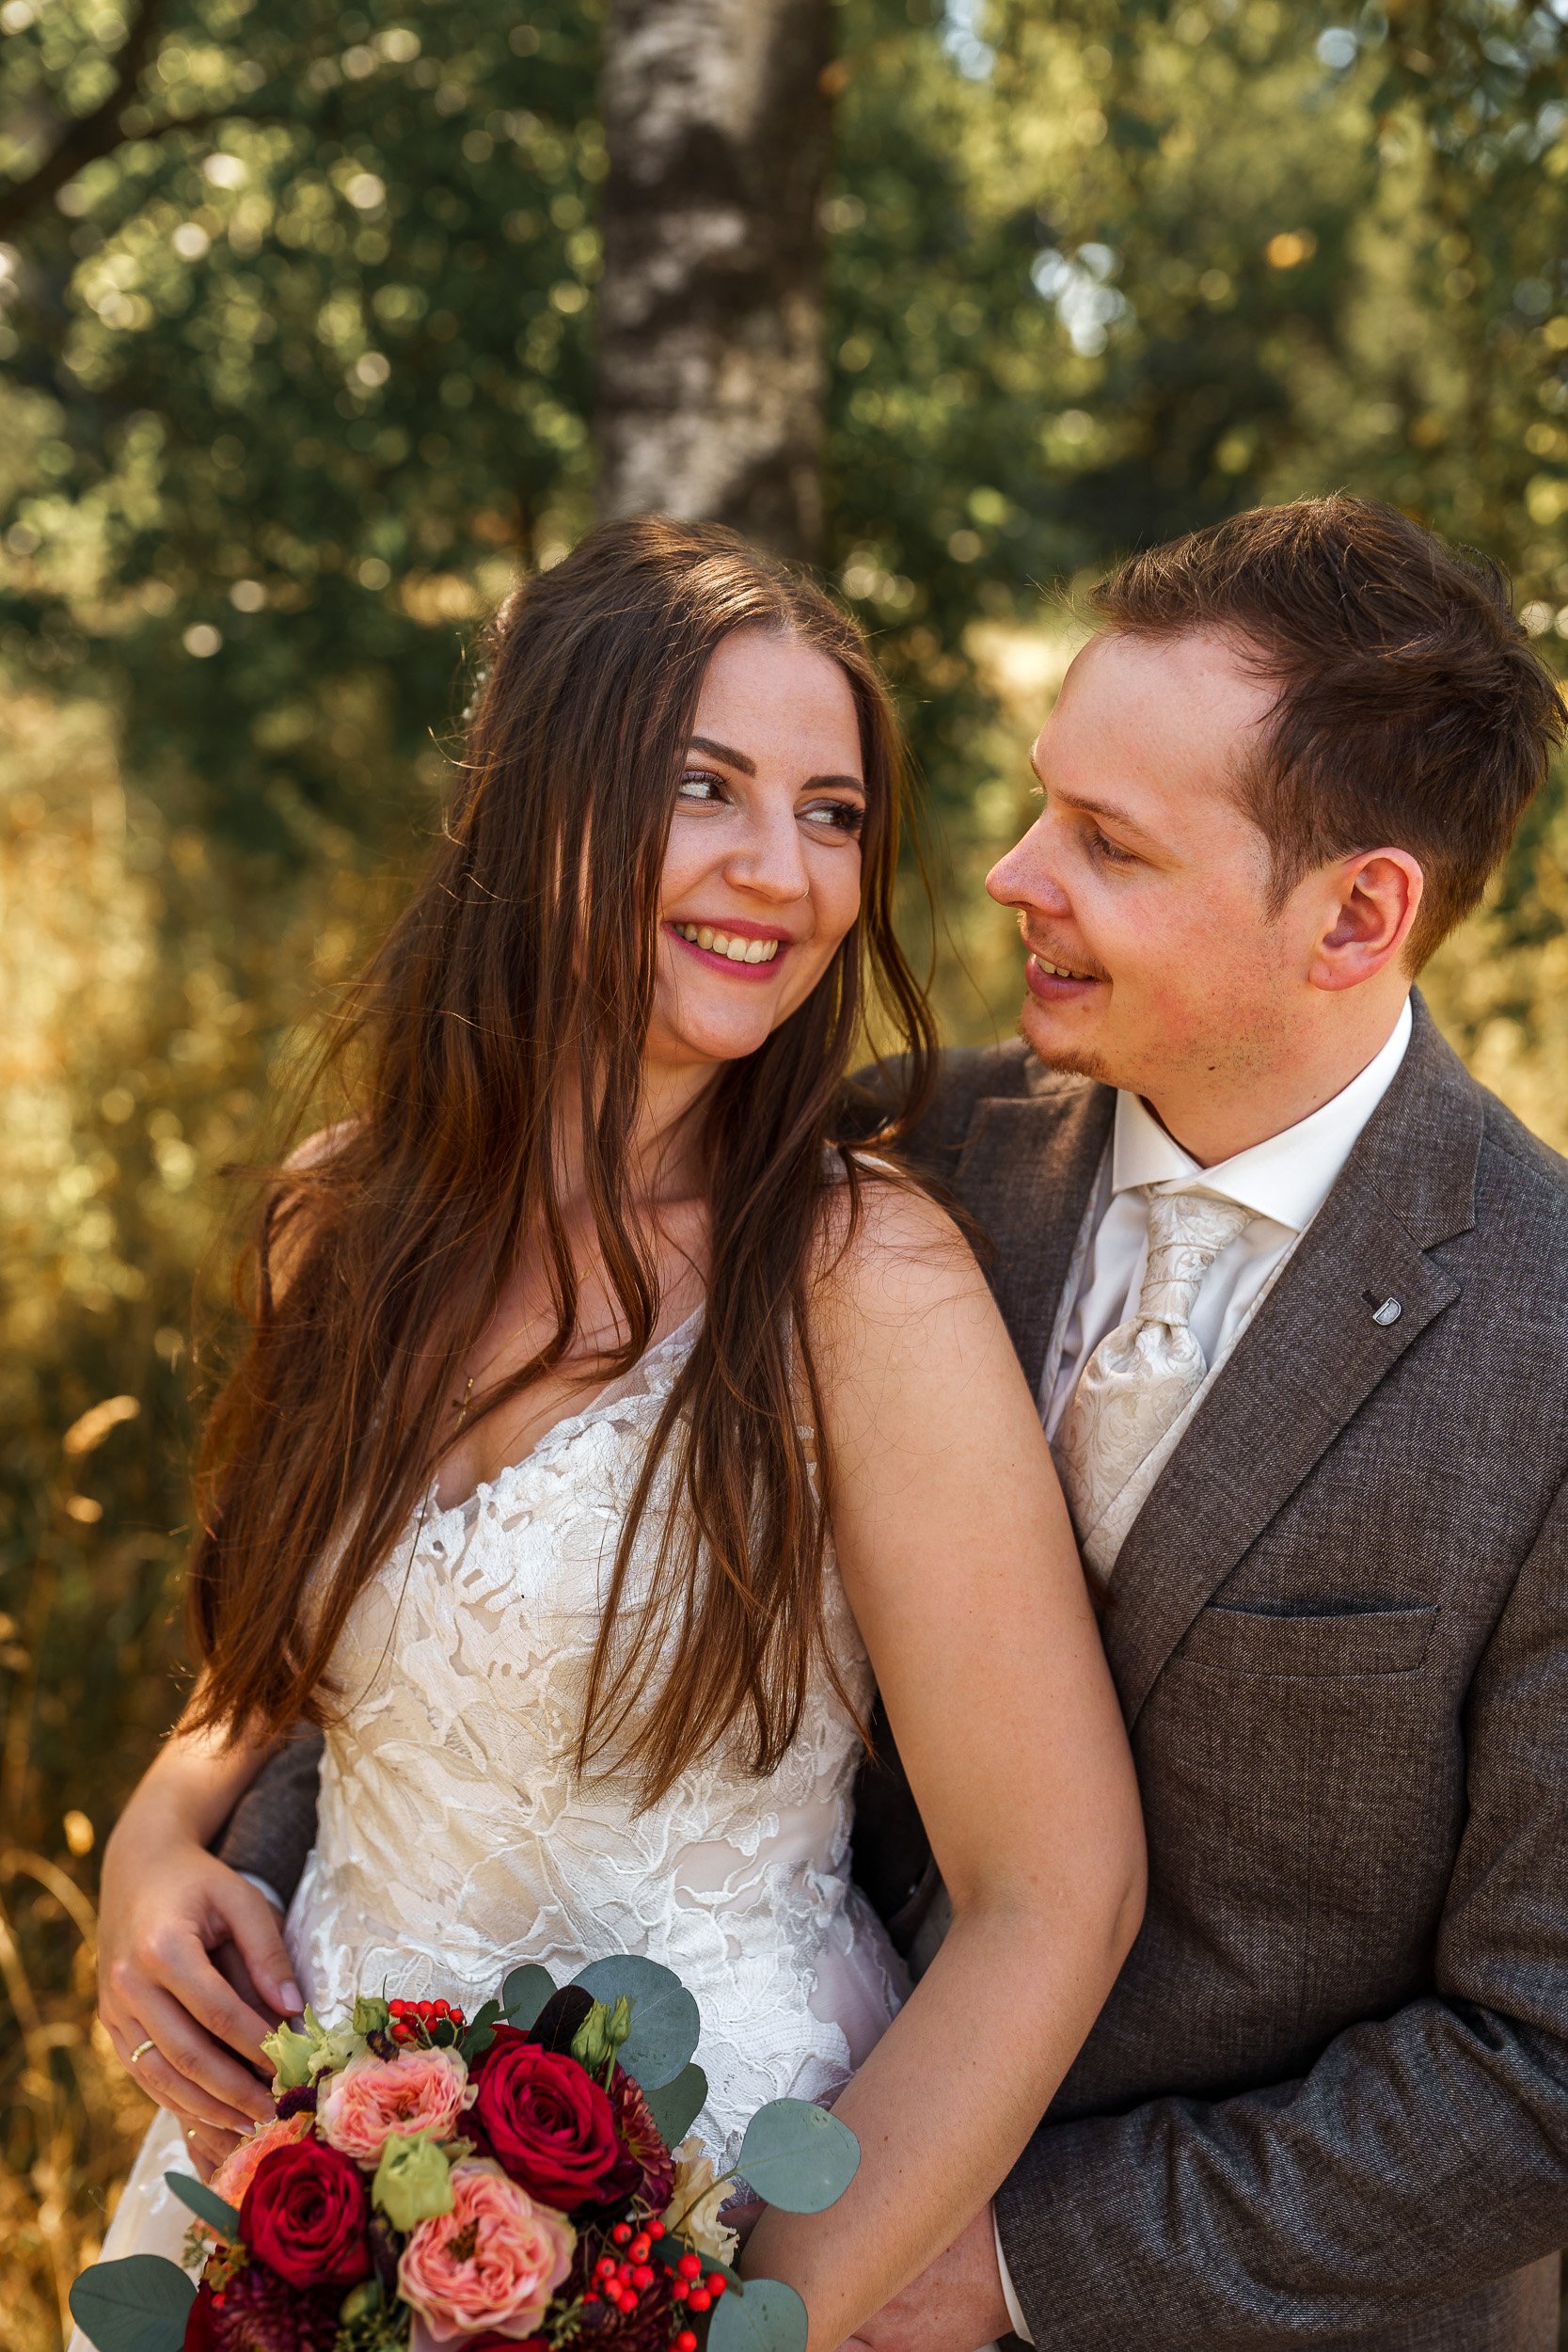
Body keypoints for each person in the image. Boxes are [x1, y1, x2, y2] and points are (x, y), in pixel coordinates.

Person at [85, 516, 1144, 2352]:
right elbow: (263, 1679)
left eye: (831, 812)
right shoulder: (340, 1221)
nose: (781, 872)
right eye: (706, 787)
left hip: (703, 2197)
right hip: (303, 2189)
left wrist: (724, 2315)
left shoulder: (852, 1277)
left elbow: (1059, 1888)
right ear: (534, 800)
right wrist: (156, 1843)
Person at [843, 496, 1568, 2351]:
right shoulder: (892, 1154)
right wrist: (220, 1816)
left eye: (1105, 840)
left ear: (1356, 913)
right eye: (1038, 797)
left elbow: (1538, 2059)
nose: (1012, 872)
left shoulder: (1551, 1347)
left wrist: (1010, 2265)